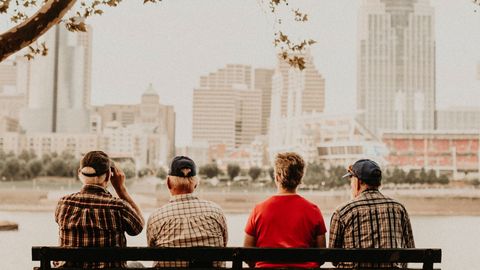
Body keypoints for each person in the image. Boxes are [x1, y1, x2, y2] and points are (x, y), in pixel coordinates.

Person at [54, 150, 144, 268]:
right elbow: (138, 227)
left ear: (79, 173)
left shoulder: (63, 204)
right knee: (137, 265)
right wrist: (121, 189)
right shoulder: (117, 207)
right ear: (108, 175)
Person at [244, 152, 327, 268]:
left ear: (277, 177)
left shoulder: (258, 210)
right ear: (300, 178)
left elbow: (247, 255)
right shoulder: (313, 210)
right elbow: (321, 255)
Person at [329, 159, 415, 268]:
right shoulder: (399, 208)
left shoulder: (343, 212)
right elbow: (410, 250)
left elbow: (333, 257)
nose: (351, 184)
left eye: (351, 179)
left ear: (358, 182)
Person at [146, 156, 228, 267]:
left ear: (168, 183)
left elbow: (152, 252)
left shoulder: (156, 218)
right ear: (196, 183)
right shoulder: (216, 212)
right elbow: (223, 245)